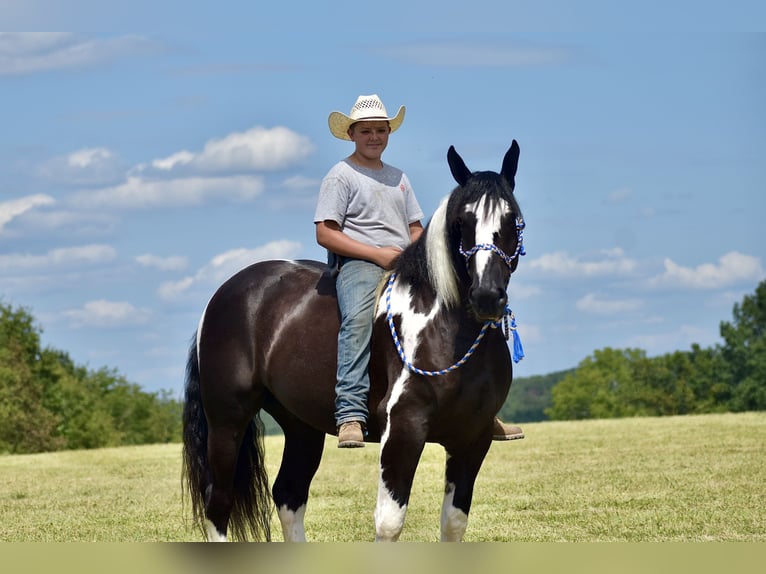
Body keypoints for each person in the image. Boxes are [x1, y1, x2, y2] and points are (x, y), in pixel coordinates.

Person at [314, 94, 524, 448]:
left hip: (406, 261)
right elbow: (325, 232)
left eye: (380, 130)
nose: (374, 137)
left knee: (462, 310)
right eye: (366, 131)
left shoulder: (399, 177)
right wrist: (377, 255)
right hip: (361, 264)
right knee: (359, 319)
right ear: (351, 133)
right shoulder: (341, 175)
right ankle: (350, 412)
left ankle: (481, 409)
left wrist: (422, 253)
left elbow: (414, 227)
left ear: (388, 134)